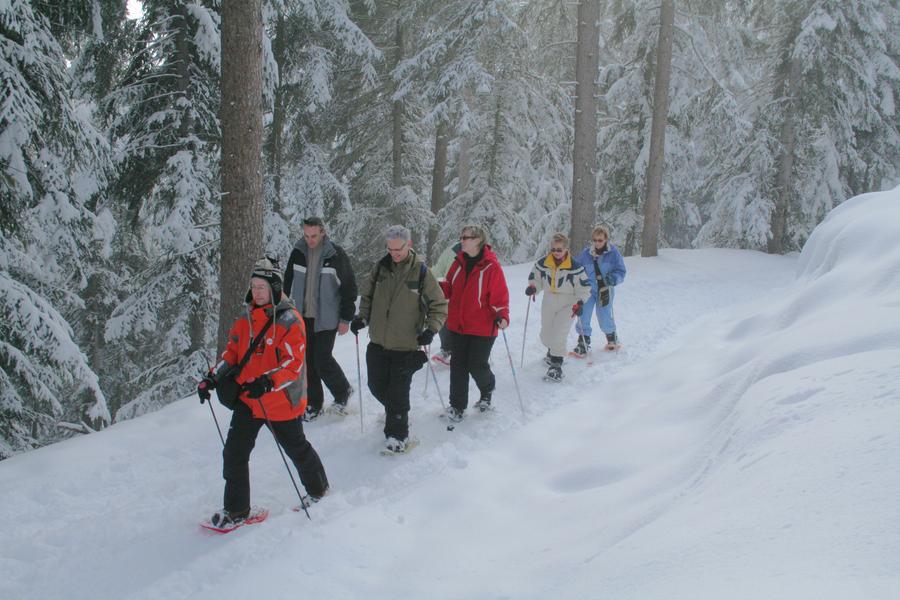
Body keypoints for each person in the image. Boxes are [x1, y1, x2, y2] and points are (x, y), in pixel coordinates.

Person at [197, 257, 328, 527]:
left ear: (275, 289)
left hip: (279, 401)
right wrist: (212, 377)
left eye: (262, 287)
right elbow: (232, 353)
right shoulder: (245, 319)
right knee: (234, 453)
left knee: (296, 449)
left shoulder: (290, 321)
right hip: (249, 399)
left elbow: (293, 365)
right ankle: (237, 511)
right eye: (254, 286)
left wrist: (268, 382)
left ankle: (319, 490)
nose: (256, 292)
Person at [350, 225, 448, 452]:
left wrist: (431, 329)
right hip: (378, 342)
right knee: (375, 386)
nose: (394, 254)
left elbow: (439, 305)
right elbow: (368, 297)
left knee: (397, 392)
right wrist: (362, 318)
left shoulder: (422, 272)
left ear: (409, 245)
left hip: (405, 345)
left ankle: (397, 435)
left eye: (398, 249)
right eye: (390, 249)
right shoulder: (380, 268)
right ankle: (396, 412)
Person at [283, 216, 358, 420]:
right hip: (302, 317)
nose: (310, 240)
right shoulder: (298, 252)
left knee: (322, 360)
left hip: (327, 317)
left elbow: (349, 286)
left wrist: (345, 318)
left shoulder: (335, 254)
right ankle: (314, 404)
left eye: (314, 235)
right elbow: (287, 280)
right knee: (307, 361)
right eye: (306, 235)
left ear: (323, 232)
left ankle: (343, 391)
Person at [440, 225, 509, 422]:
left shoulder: (491, 266)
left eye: (466, 237)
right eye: (461, 237)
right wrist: (431, 289)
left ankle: (487, 391)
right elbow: (448, 287)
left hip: (483, 327)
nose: (462, 240)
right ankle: (457, 406)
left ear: (478, 240)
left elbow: (500, 296)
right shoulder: (458, 263)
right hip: (459, 325)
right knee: (458, 366)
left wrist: (502, 315)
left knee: (476, 365)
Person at [526, 233, 591, 382]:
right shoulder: (542, 264)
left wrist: (580, 302)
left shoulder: (575, 266)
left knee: (559, 332)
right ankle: (552, 351)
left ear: (566, 249)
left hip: (569, 302)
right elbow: (536, 279)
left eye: (559, 249)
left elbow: (584, 288)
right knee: (546, 334)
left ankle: (556, 365)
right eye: (553, 249)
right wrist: (533, 288)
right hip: (549, 300)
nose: (556, 252)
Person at [573, 225, 627, 354]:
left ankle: (611, 337)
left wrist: (613, 279)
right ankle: (583, 342)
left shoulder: (613, 254)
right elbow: (578, 270)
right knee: (584, 314)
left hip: (605, 289)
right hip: (589, 290)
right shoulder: (586, 254)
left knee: (604, 315)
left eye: (600, 240)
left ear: (606, 240)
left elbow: (621, 271)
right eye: (595, 240)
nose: (597, 243)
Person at [430, 240, 462, 365]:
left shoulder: (479, 251)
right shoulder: (451, 250)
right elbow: (439, 269)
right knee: (444, 318)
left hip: (472, 297)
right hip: (450, 293)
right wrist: (423, 274)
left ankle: (474, 353)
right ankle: (446, 350)